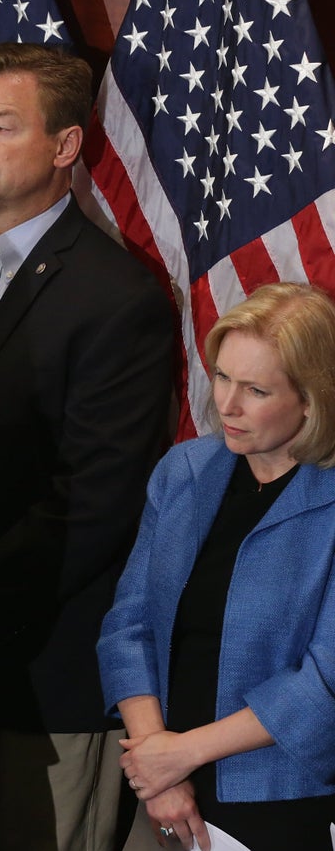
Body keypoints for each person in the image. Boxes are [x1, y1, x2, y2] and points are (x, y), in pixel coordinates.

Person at [0, 42, 175, 851]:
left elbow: (91, 506)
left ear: (66, 147)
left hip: (34, 674)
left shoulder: (117, 295)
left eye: (0, 126)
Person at [98, 283, 335, 851]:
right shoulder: (185, 469)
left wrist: (183, 753)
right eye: (222, 377)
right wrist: (159, 766)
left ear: (314, 397)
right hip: (157, 781)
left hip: (281, 793)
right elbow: (127, 625)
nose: (226, 405)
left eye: (255, 389)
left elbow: (324, 683)